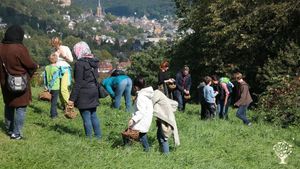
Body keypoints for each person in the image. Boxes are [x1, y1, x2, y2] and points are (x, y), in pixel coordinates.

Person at [0, 25, 39, 139]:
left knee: (9, 105)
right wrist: (35, 66)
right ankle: (16, 134)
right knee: (21, 107)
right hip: (20, 82)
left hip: (5, 82)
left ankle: (9, 129)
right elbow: (29, 64)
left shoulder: (1, 47)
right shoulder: (19, 48)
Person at [68, 41, 102, 139]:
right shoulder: (94, 62)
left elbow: (78, 83)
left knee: (86, 116)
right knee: (94, 115)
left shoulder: (79, 64)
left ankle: (89, 138)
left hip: (84, 93)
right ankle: (98, 137)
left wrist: (72, 99)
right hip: (94, 91)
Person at [124, 76, 154, 152]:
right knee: (142, 136)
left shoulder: (141, 96)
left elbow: (141, 111)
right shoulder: (147, 94)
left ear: (136, 87)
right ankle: (147, 152)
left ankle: (128, 150)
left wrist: (133, 120)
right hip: (146, 119)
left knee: (127, 134)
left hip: (141, 120)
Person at [152, 89, 180, 154]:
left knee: (163, 137)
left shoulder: (157, 93)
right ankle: (162, 151)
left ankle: (166, 154)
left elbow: (151, 103)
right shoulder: (160, 95)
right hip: (163, 118)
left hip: (165, 119)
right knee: (159, 136)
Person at [51, 37, 73, 110]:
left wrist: (64, 56)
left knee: (64, 89)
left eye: (56, 43)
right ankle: (64, 107)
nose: (55, 45)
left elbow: (71, 60)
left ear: (59, 42)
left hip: (65, 69)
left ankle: (69, 107)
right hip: (56, 70)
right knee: (59, 89)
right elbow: (53, 61)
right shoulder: (54, 50)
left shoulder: (65, 48)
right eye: (53, 44)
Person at [43, 53, 60, 119]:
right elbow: (54, 79)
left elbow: (44, 77)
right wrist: (50, 87)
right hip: (55, 87)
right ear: (56, 60)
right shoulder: (57, 68)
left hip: (48, 87)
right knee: (54, 102)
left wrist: (45, 85)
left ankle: (55, 113)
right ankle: (53, 115)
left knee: (52, 101)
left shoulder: (47, 67)